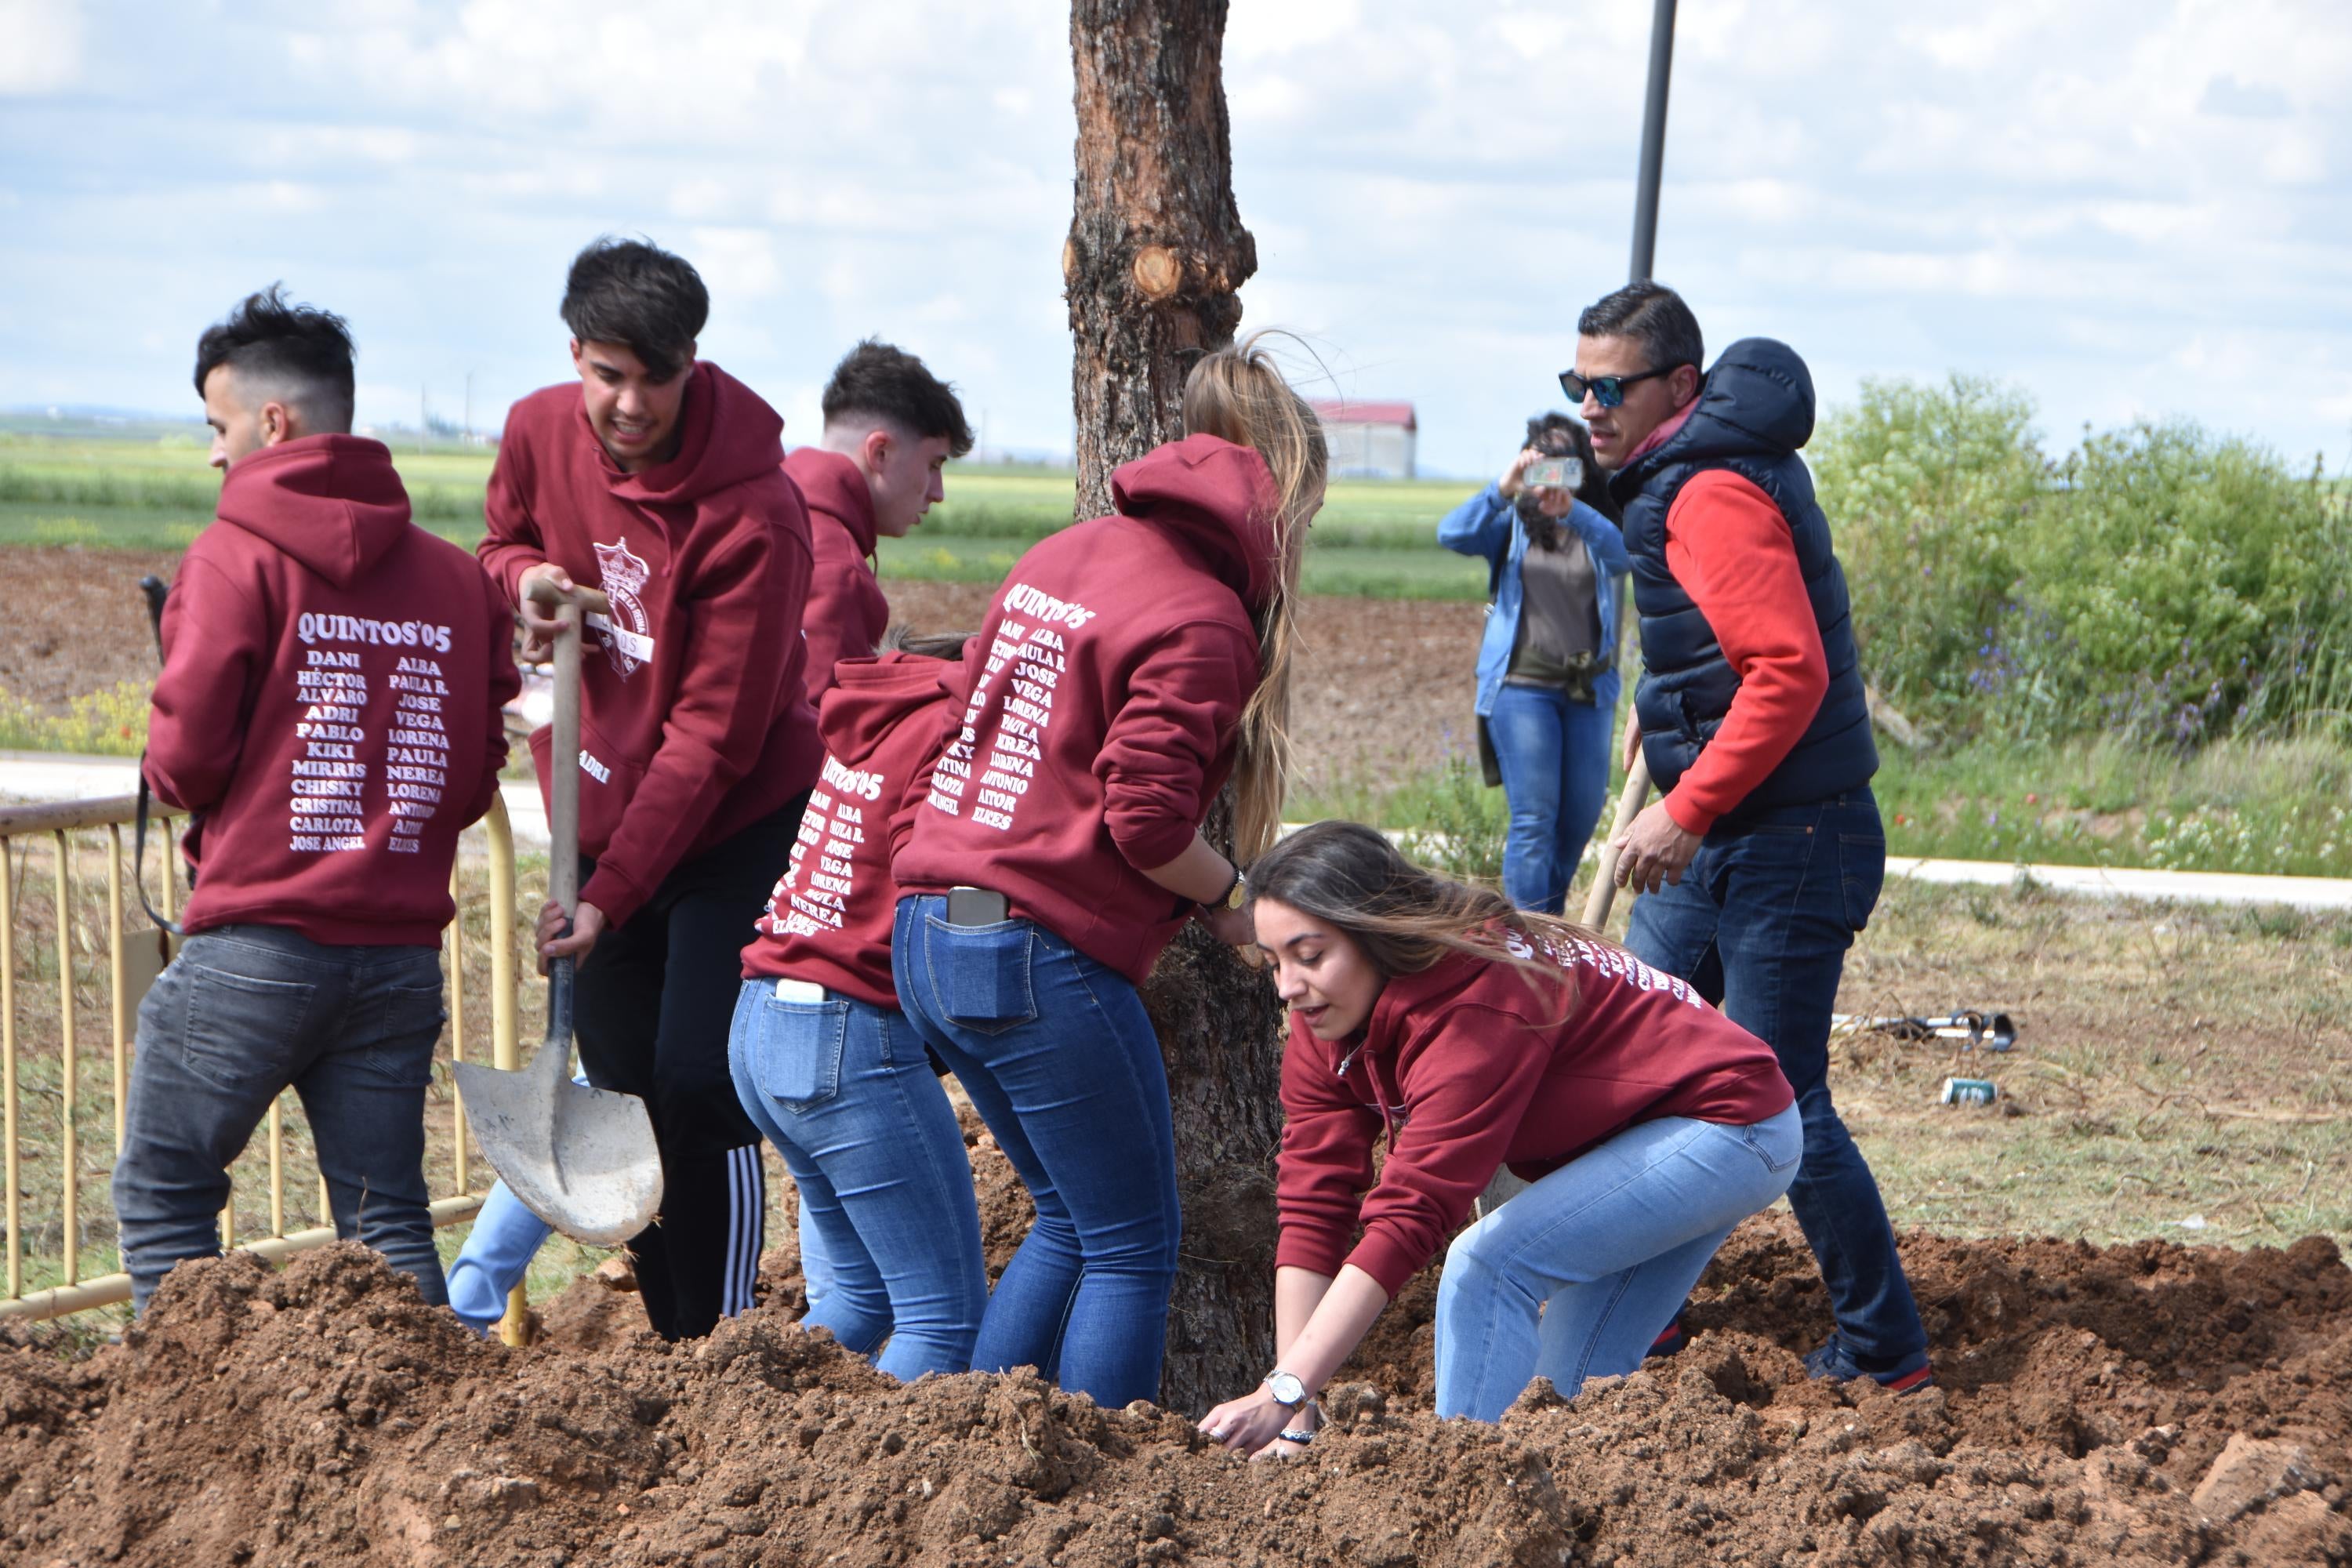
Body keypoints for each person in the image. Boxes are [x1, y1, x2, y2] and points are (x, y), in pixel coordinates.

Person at [890, 335, 1325, 1408]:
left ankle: (977, 1451)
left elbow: (970, 716)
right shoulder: (1205, 619)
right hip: (1036, 955)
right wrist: (1231, 899)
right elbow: (1143, 820)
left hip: (931, 928)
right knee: (1134, 1245)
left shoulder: (1065, 552)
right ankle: (1110, 1494)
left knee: (1071, 1219)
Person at [114, 286, 518, 1313]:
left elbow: (185, 764)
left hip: (258, 943)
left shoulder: (232, 557)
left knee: (166, 1196)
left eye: (218, 425)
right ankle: (428, 1449)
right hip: (397, 961)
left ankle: (185, 1440)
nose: (214, 452)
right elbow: (471, 776)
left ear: (273, 422)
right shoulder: (454, 578)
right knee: (385, 1218)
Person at [1571, 280, 1933, 1392]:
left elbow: (1789, 672)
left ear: (1680, 387)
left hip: (1789, 837)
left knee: (1778, 1091)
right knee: (1621, 1049)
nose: (1590, 406)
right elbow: (1717, 648)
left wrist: (1687, 807)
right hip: (1737, 827)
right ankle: (1642, 1312)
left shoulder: (1711, 492)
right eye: (1576, 383)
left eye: (1610, 386)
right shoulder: (1679, 477)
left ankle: (1884, 1351)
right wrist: (1662, 704)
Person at [477, 237, 822, 1341]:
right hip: (602, 802)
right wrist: (522, 582)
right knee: (620, 1079)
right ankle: (666, 1319)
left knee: (694, 1078)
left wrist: (608, 896)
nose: (631, 404)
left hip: (732, 825)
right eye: (608, 374)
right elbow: (500, 542)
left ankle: (718, 1346)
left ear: (693, 364)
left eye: (655, 378)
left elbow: (711, 740)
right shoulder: (537, 428)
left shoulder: (754, 515)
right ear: (575, 353)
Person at [1195, 820, 1798, 1449]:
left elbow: (1412, 1215)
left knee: (1486, 1266)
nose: (1289, 986)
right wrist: (1293, 1419)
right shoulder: (1324, 1024)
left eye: (1311, 956)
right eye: (1273, 963)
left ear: (1375, 931)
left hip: (1731, 1126)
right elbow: (1312, 1207)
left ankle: (1465, 1496)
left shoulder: (1477, 1001)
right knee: (1563, 1402)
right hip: (1630, 1140)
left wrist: (1284, 1389)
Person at [731, 628, 986, 1379]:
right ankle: (855, 1491)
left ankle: (752, 1444)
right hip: (842, 1041)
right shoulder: (956, 733)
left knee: (862, 1297)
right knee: (943, 1324)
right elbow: (958, 875)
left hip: (762, 1019)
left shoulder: (878, 720)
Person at [1437, 413, 1628, 913]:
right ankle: (1528, 941)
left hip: (1589, 691)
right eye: (1541, 463)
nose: (1551, 477)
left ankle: (1550, 927)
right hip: (1521, 689)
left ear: (1583, 468)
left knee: (1579, 821)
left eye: (1563, 464)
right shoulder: (1510, 523)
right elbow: (1451, 534)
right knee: (1534, 819)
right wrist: (1503, 487)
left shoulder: (1598, 522)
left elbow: (1626, 555)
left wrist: (1575, 512)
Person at [791, 341, 975, 694]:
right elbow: (822, 733)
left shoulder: (763, 508)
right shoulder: (837, 574)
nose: (938, 492)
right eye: (933, 464)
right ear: (881, 451)